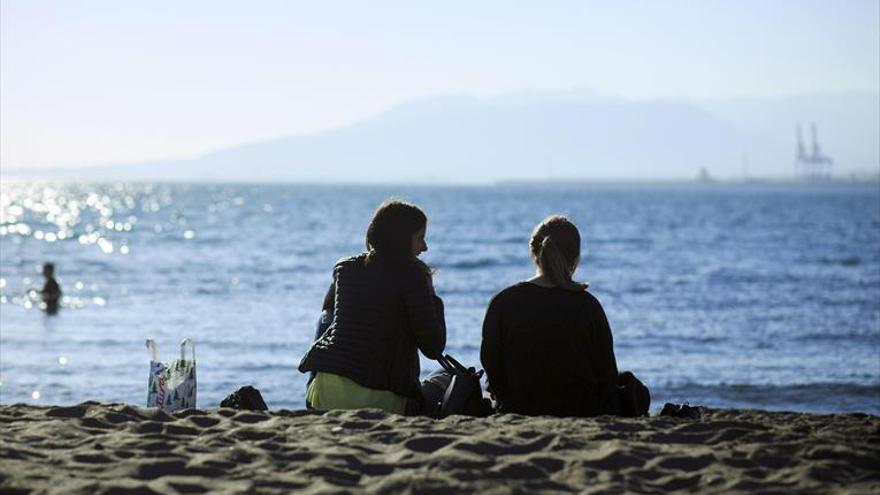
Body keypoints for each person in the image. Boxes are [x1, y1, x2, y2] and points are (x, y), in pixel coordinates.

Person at [480, 215, 649, 417]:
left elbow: (492, 367)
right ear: (575, 258)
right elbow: (607, 372)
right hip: (583, 408)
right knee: (634, 390)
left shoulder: (503, 302)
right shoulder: (588, 305)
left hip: (519, 408)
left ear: (533, 253)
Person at [299, 199, 446, 414]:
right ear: (402, 240)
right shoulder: (414, 276)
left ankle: (321, 382)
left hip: (326, 397)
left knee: (326, 318)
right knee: (443, 380)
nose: (425, 247)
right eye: (420, 238)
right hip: (384, 402)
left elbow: (328, 316)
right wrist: (432, 297)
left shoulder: (345, 269)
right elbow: (433, 348)